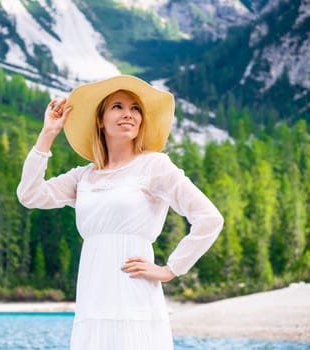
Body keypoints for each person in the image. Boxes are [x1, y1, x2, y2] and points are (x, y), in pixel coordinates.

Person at [16, 75, 224, 349]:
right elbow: (30, 195)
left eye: (135, 108)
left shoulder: (155, 165)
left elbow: (209, 219)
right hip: (93, 298)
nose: (129, 114)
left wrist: (171, 269)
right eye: (118, 106)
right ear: (100, 120)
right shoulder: (83, 177)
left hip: (134, 295)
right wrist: (47, 135)